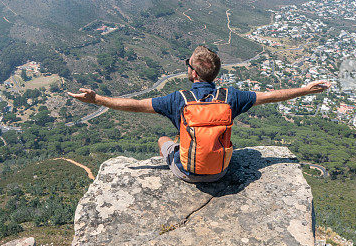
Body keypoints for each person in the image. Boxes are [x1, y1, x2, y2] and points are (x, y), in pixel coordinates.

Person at [68, 46, 330, 183]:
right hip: (222, 172)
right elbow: (270, 96)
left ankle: (183, 155)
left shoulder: (178, 100)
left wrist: (97, 99)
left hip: (187, 172)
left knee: (163, 139)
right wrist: (305, 90)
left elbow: (135, 105)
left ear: (193, 72)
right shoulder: (231, 97)